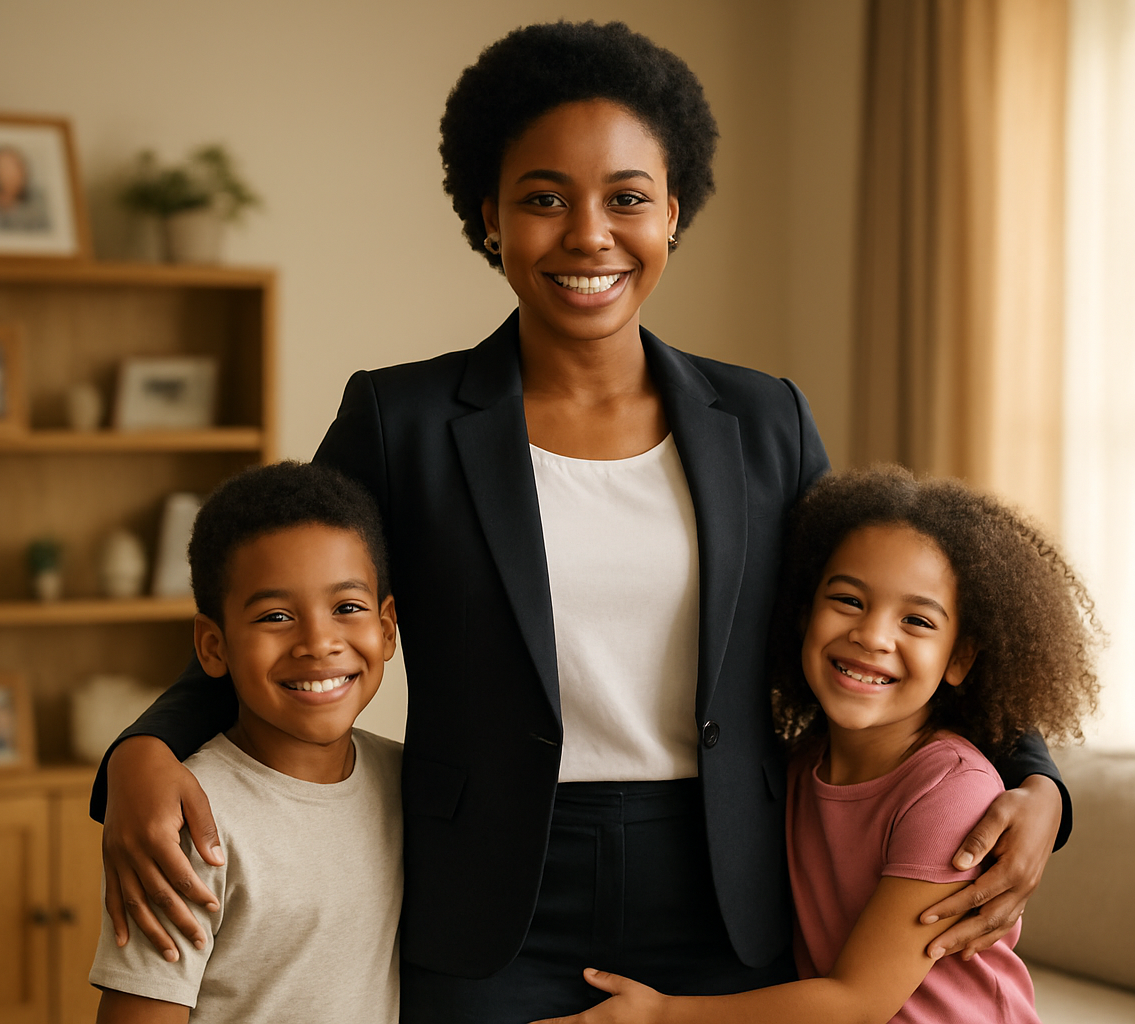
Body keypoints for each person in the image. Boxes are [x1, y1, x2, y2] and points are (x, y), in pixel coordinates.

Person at [89, 21, 1071, 1023]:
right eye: (544, 198)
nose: (589, 234)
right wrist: (139, 753)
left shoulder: (764, 419)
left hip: (726, 896)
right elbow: (283, 599)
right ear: (490, 218)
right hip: (487, 902)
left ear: (673, 211)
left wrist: (1039, 784)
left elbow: (904, 600)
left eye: (627, 199)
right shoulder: (403, 421)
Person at [535, 467, 1103, 1024]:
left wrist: (659, 1016)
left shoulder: (952, 791)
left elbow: (857, 1003)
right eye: (850, 601)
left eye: (917, 621)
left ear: (960, 658)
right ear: (803, 615)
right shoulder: (798, 763)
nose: (873, 635)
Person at [89, 461, 402, 1023]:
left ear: (386, 628)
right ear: (213, 646)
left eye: (347, 608)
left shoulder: (407, 782)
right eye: (276, 616)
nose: (318, 642)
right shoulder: (185, 823)